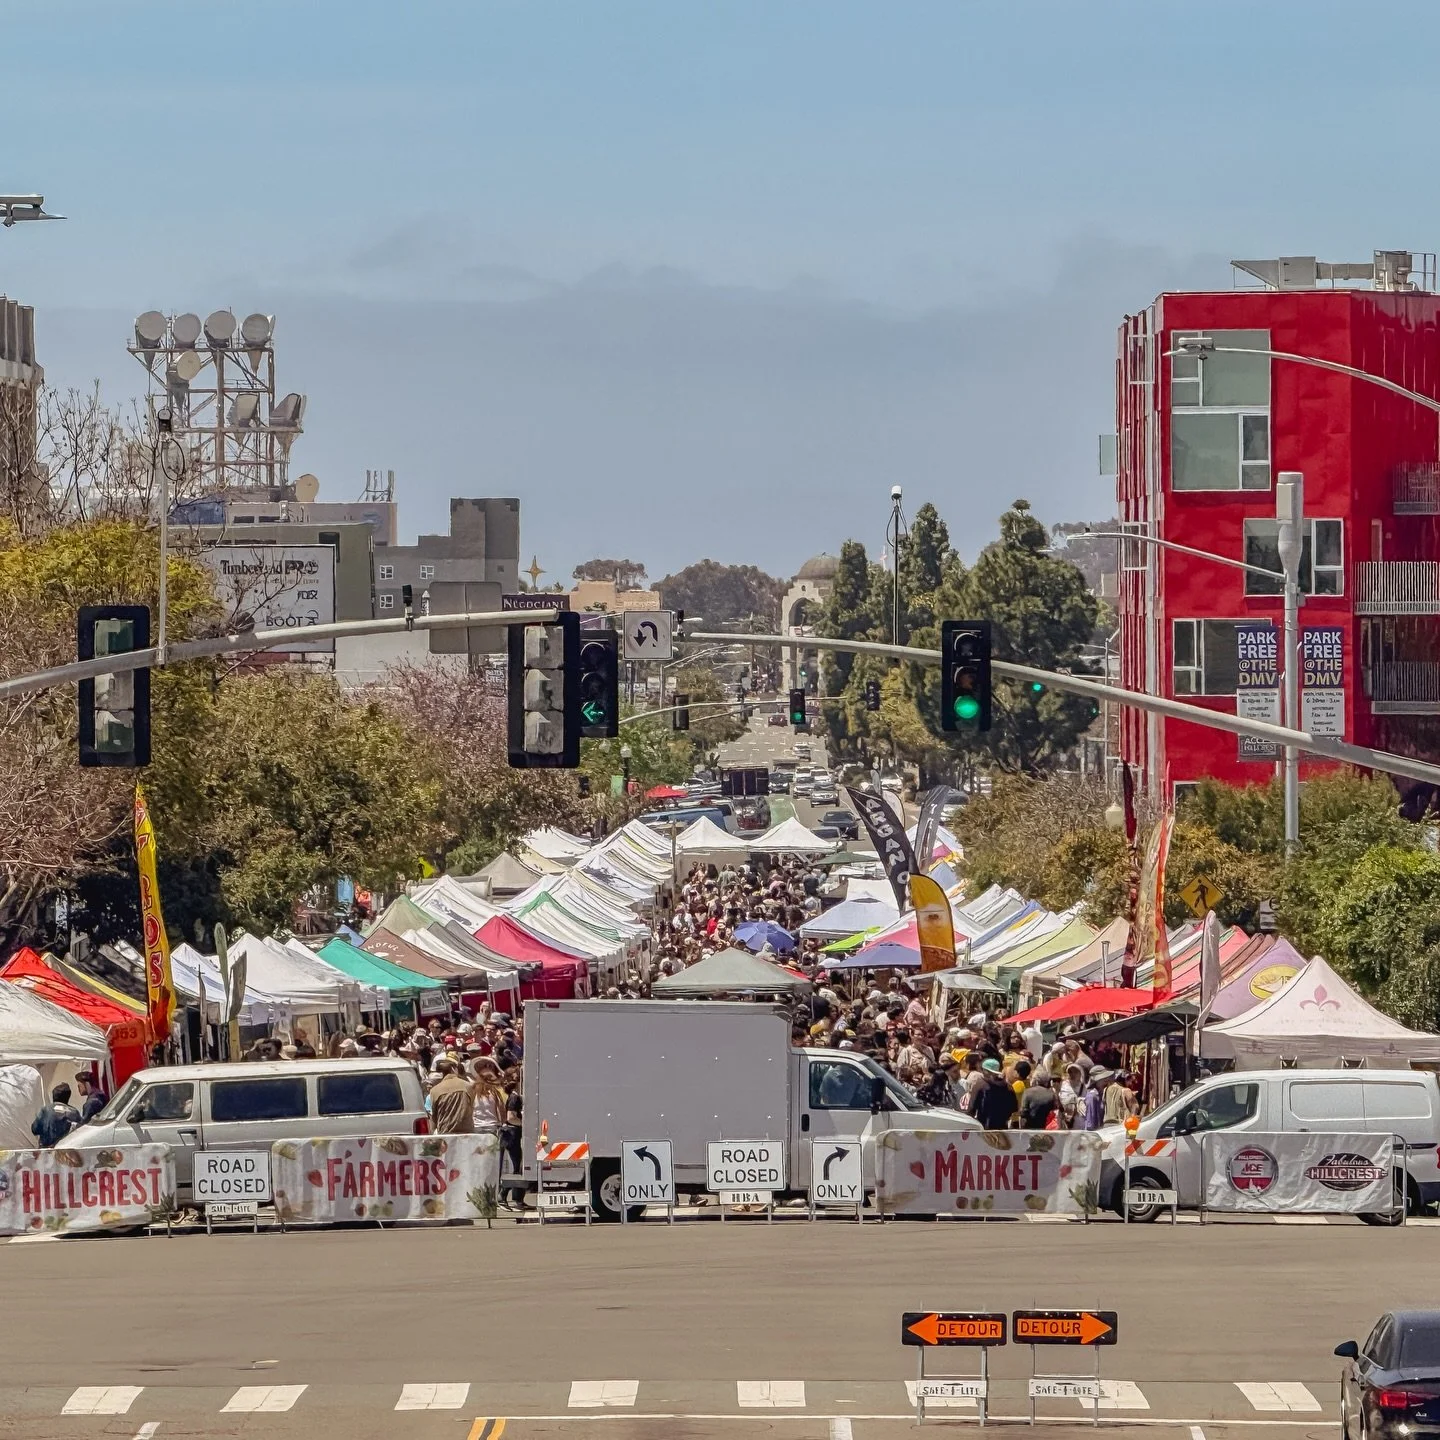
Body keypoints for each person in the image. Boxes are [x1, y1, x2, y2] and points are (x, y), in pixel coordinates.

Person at [970, 1057, 1018, 1131]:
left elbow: (971, 1108)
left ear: (985, 1071)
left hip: (983, 1129)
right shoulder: (1008, 1087)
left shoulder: (980, 1085)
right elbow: (1014, 1108)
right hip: (1002, 1129)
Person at [428, 1061, 475, 1134]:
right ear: (454, 1069)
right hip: (467, 1131)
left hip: (445, 1132)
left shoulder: (435, 1090)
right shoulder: (467, 1086)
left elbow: (434, 1116)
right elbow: (472, 1106)